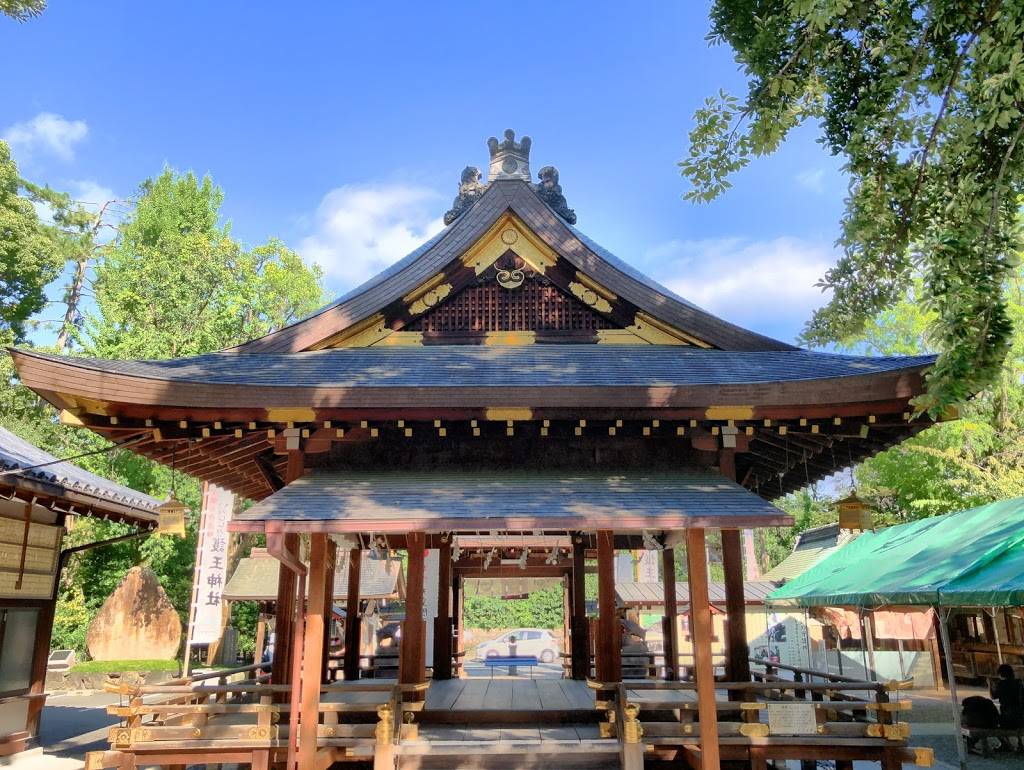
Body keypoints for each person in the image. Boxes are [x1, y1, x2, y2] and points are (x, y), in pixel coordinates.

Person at [991, 663, 1024, 750]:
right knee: (1017, 721)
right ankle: (1020, 743)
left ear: (1001, 674)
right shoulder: (1019, 683)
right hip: (1021, 717)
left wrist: (989, 685)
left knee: (994, 724)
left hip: (1007, 718)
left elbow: (993, 696)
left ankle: (1005, 743)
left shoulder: (1001, 684)